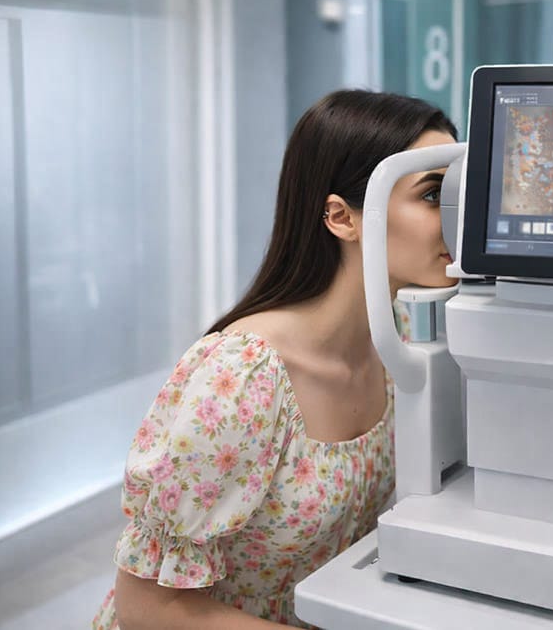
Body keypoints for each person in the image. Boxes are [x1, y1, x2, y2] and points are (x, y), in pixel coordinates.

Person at [92, 90, 458, 629]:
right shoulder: (242, 378)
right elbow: (149, 610)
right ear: (342, 217)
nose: (457, 215)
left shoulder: (399, 340)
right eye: (433, 195)